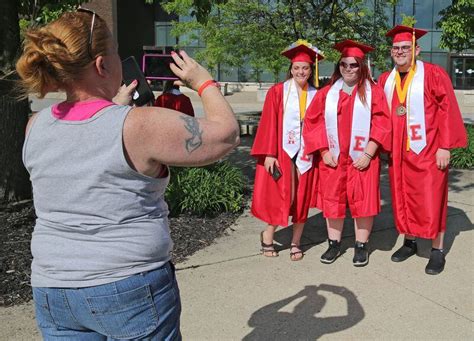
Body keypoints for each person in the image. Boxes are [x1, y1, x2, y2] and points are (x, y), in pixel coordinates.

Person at [16, 9, 239, 340]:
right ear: (103, 65)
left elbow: (83, 150)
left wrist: (115, 109)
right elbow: (226, 136)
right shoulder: (138, 124)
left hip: (54, 287)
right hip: (127, 285)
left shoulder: (36, 125)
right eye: (117, 53)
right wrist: (202, 81)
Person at [378, 25, 467, 275]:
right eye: (396, 48)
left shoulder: (433, 74)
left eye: (405, 47)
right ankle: (410, 242)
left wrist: (444, 146)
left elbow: (447, 109)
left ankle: (437, 250)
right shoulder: (386, 79)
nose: (400, 52)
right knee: (403, 197)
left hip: (428, 150)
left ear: (416, 50)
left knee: (432, 199)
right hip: (398, 153)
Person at [303, 40, 391, 267]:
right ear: (338, 66)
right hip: (333, 158)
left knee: (363, 200)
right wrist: (323, 152)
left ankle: (361, 246)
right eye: (344, 64)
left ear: (362, 66)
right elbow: (313, 123)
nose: (348, 69)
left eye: (353, 65)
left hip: (363, 158)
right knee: (333, 200)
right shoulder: (326, 94)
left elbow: (383, 124)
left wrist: (369, 153)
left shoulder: (375, 93)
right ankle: (334, 244)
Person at [251, 40, 323, 261]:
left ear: (312, 70)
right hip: (282, 152)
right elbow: (269, 123)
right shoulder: (277, 92)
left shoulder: (317, 94)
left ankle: (295, 242)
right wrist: (269, 153)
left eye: (305, 68)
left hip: (307, 154)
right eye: (297, 68)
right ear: (290, 69)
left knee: (301, 198)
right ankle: (268, 236)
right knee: (281, 195)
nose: (301, 71)